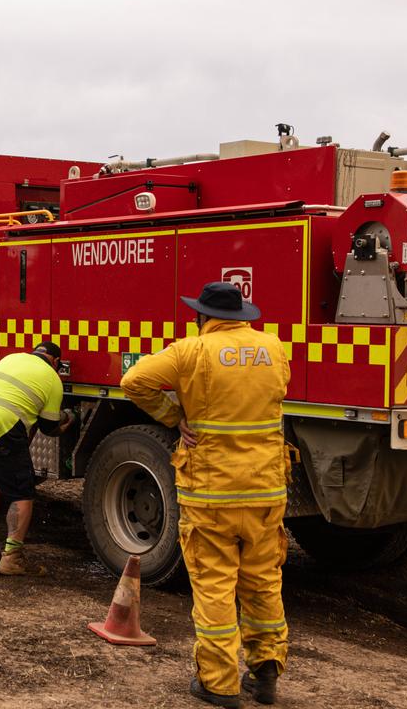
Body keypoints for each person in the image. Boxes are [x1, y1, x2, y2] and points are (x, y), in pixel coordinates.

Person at [120, 282, 290, 708]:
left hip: (212, 489)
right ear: (243, 316)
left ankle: (218, 683)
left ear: (203, 317)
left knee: (216, 585)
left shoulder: (190, 350)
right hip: (266, 486)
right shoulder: (274, 348)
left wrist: (175, 415)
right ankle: (265, 672)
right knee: (264, 581)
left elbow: (134, 380)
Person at [0, 342, 74, 575]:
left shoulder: (11, 358)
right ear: (56, 362)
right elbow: (49, 426)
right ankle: (12, 557)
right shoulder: (52, 378)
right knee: (22, 494)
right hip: (0, 429)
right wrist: (67, 422)